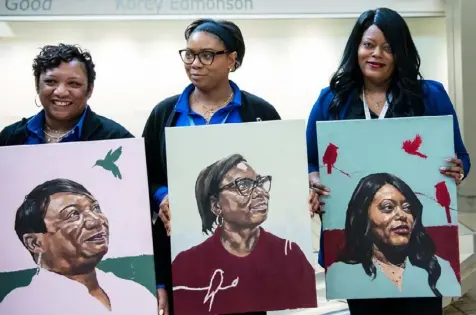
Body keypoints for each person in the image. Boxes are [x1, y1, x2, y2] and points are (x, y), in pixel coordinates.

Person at [306, 7, 470, 315]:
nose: (376, 54)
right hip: (359, 244)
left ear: (402, 53)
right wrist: (312, 179)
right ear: (356, 47)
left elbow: (461, 156)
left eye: (388, 47)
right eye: (368, 44)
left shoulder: (429, 95)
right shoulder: (331, 100)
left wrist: (457, 169)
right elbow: (309, 160)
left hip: (420, 247)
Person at [142, 19, 281, 315]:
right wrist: (163, 196)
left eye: (207, 55)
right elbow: (145, 176)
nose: (195, 64)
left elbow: (279, 173)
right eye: (189, 54)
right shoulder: (164, 114)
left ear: (232, 59)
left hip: (248, 257)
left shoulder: (260, 113)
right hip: (180, 253)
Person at [172, 154, 317, 314]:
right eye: (244, 185)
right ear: (216, 205)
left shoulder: (289, 254)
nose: (260, 193)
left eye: (260, 183)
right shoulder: (187, 264)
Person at [0, 178, 156, 315]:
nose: (95, 220)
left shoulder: (133, 291)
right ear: (34, 243)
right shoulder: (23, 304)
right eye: (73, 214)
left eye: (96, 208)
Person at [325, 173, 459, 299]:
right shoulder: (342, 274)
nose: (402, 215)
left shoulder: (439, 268)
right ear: (364, 216)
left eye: (407, 208)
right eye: (388, 207)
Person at [0, 43, 133, 145]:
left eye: (73, 83)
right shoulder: (9, 137)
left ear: (89, 90)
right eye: (51, 81)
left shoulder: (118, 138)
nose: (61, 92)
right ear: (37, 86)